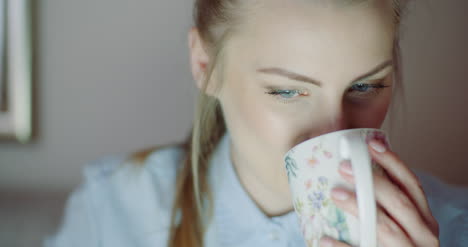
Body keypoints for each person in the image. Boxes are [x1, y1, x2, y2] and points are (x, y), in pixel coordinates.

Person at [44, 0, 468, 246]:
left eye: (366, 86)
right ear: (204, 64)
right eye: (286, 91)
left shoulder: (455, 223)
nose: (334, 132)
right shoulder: (112, 213)